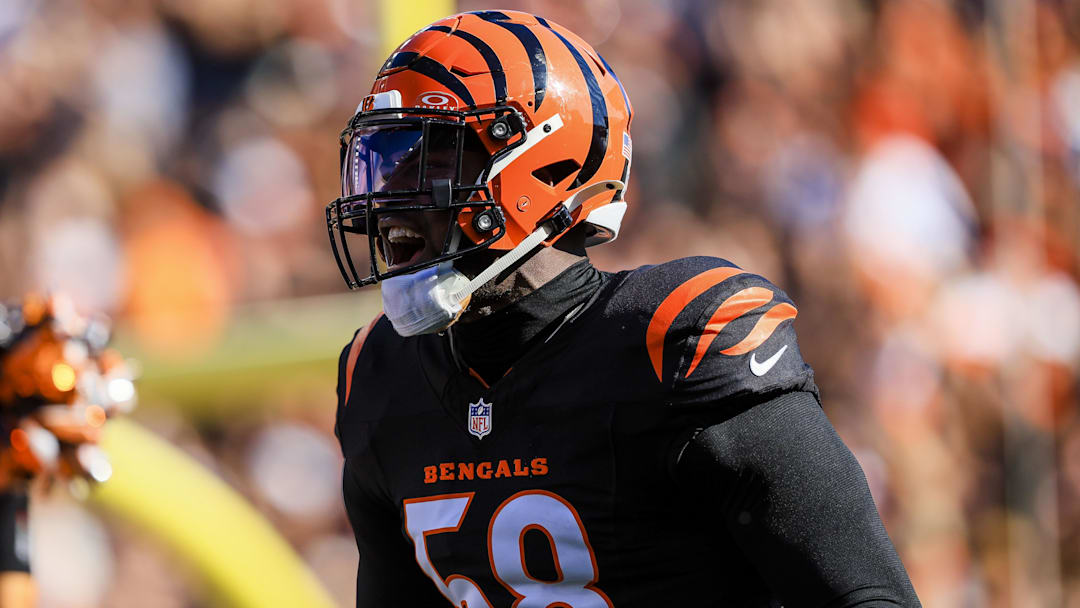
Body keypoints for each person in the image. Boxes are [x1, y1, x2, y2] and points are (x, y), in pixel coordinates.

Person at [329, 10, 920, 607]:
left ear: (544, 164)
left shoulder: (673, 343)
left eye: (429, 159)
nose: (386, 197)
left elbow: (866, 596)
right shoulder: (379, 378)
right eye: (384, 160)